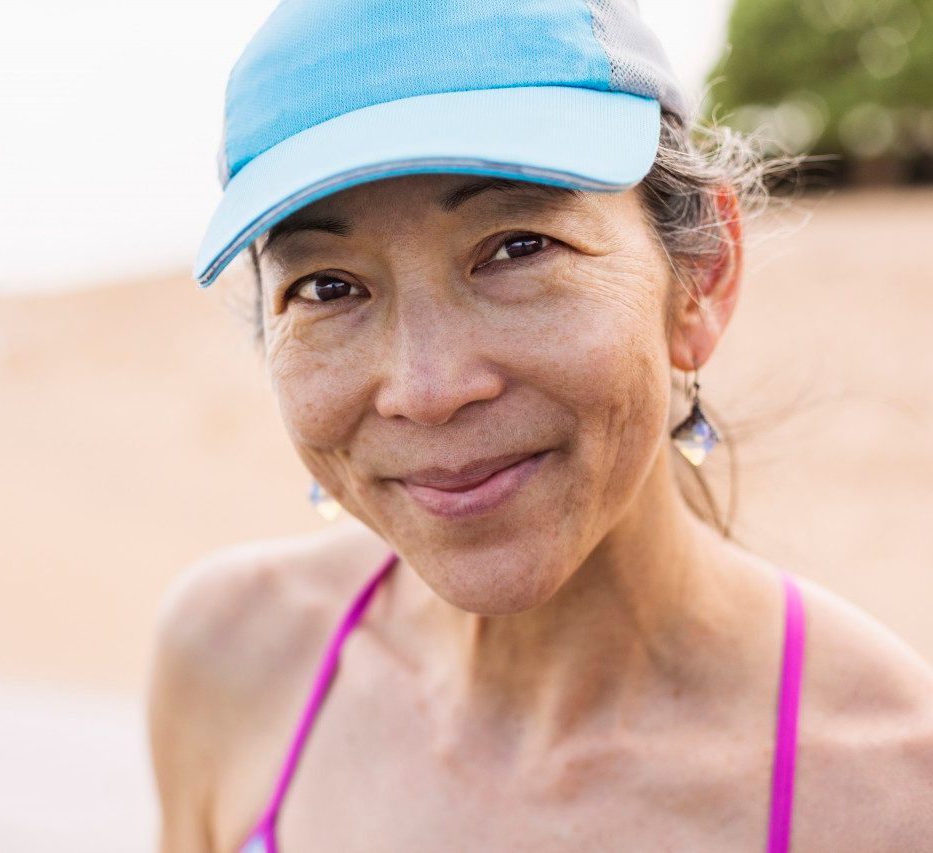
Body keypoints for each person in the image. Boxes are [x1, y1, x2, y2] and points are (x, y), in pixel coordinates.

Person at [148, 1, 933, 851]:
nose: (427, 389)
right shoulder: (231, 658)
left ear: (701, 275)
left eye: (517, 247)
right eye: (329, 288)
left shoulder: (888, 799)